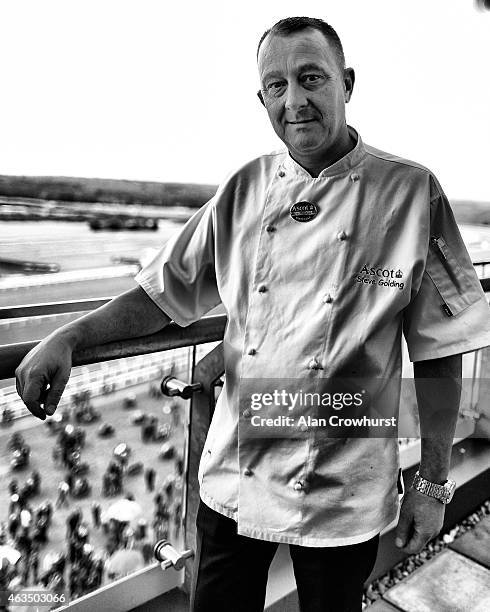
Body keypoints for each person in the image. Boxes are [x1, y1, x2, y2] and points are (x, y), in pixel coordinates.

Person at [14, 15, 490, 612]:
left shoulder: (414, 192)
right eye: (276, 86)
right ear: (261, 98)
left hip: (343, 490)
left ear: (346, 82)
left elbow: (442, 348)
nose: (295, 100)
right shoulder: (243, 188)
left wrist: (431, 483)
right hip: (234, 475)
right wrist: (70, 337)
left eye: (311, 77)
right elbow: (161, 293)